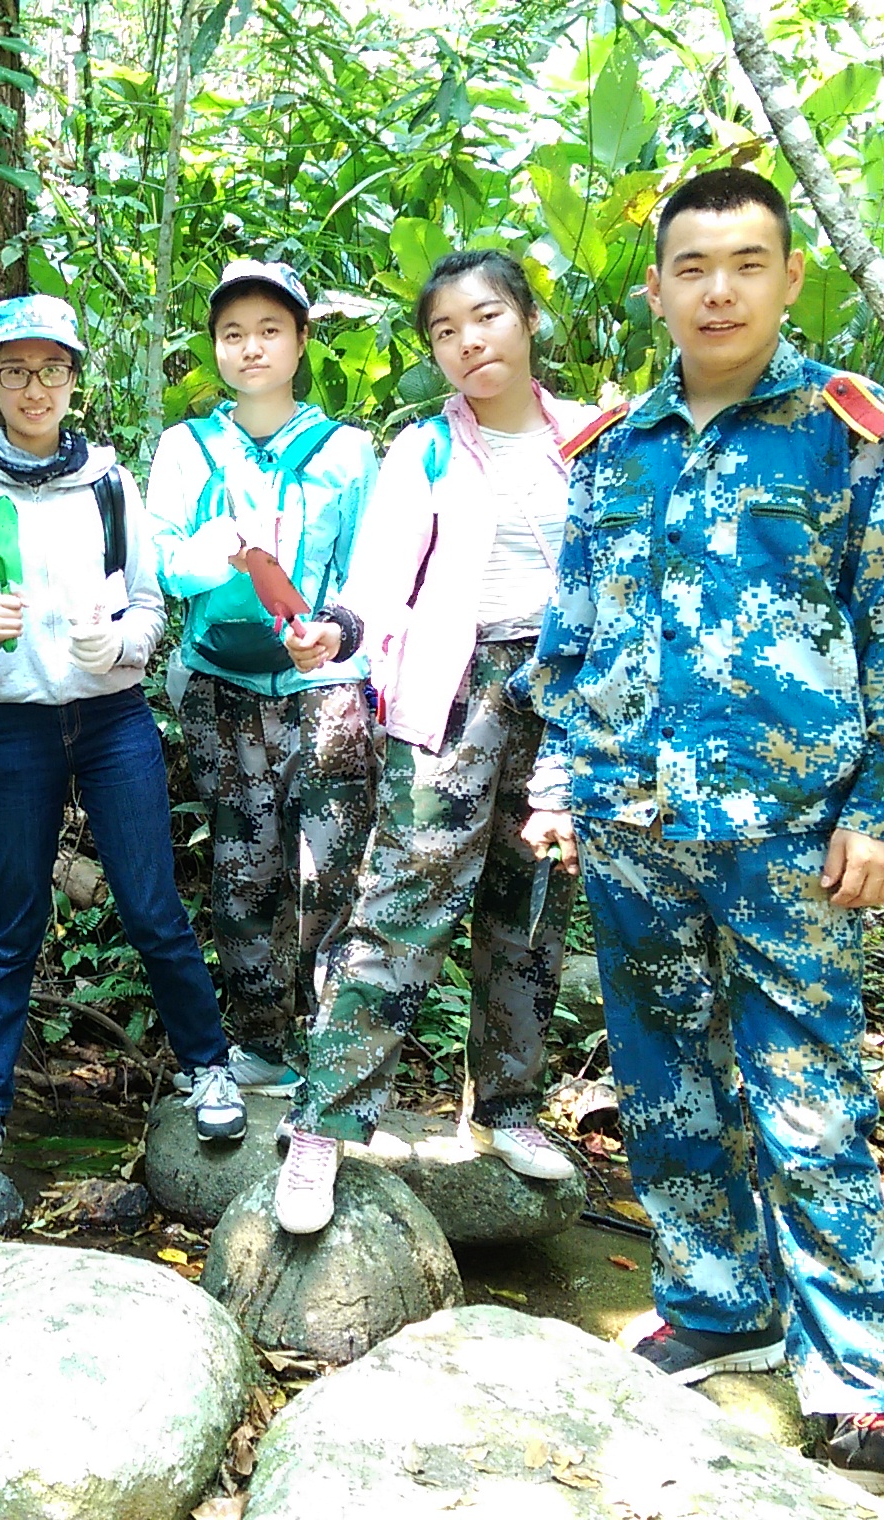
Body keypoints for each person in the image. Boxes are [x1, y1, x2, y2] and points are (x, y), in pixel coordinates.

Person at [518, 167, 884, 1506]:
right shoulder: (613, 447)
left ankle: (866, 1388)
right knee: (662, 1079)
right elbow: (572, 633)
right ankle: (716, 1302)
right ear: (657, 288)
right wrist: (559, 781)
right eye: (693, 266)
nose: (718, 290)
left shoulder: (847, 431)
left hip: (789, 827)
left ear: (790, 278)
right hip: (633, 817)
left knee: (809, 1100)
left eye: (746, 264)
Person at [268, 250, 596, 1233]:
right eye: (445, 330)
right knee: (406, 897)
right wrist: (337, 632)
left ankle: (507, 1108)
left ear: (527, 318)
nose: (468, 341)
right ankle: (324, 1123)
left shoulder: (594, 437)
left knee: (532, 899)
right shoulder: (426, 450)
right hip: (457, 692)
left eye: (486, 316)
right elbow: (377, 581)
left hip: (567, 693)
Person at [0, 295, 249, 1186]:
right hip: (12, 724)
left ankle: (208, 1066)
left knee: (151, 904)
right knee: (16, 914)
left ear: (74, 379)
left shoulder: (108, 484)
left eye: (52, 369)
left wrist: (124, 646)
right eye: (16, 371)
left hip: (112, 719)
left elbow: (147, 605)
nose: (35, 388)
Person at [143, 258, 379, 1095]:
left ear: (301, 341)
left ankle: (331, 1056)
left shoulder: (348, 451)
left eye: (270, 330)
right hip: (222, 684)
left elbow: (371, 571)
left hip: (326, 690)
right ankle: (262, 1048)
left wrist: (335, 629)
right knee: (243, 870)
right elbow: (161, 563)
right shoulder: (187, 448)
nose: (251, 348)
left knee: (330, 873)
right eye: (233, 333)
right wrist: (219, 551)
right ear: (214, 346)